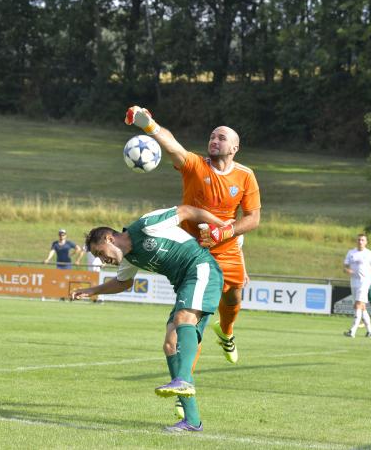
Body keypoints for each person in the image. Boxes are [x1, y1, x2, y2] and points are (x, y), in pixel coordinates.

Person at [124, 106, 261, 367]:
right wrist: (149, 125)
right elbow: (173, 146)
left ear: (234, 148)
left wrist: (223, 232)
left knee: (233, 298)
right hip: (193, 252)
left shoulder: (245, 175)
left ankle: (227, 333)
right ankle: (183, 379)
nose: (214, 140)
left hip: (228, 249)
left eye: (221, 138)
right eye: (212, 136)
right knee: (193, 317)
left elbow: (253, 218)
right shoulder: (195, 166)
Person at [70, 205, 226, 433]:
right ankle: (192, 421)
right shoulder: (129, 259)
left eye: (100, 252)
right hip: (184, 284)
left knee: (183, 318)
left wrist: (224, 227)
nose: (102, 260)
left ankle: (183, 380)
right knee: (170, 344)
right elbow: (123, 283)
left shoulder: (146, 226)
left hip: (202, 269)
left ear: (109, 238)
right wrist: (92, 290)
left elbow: (186, 211)